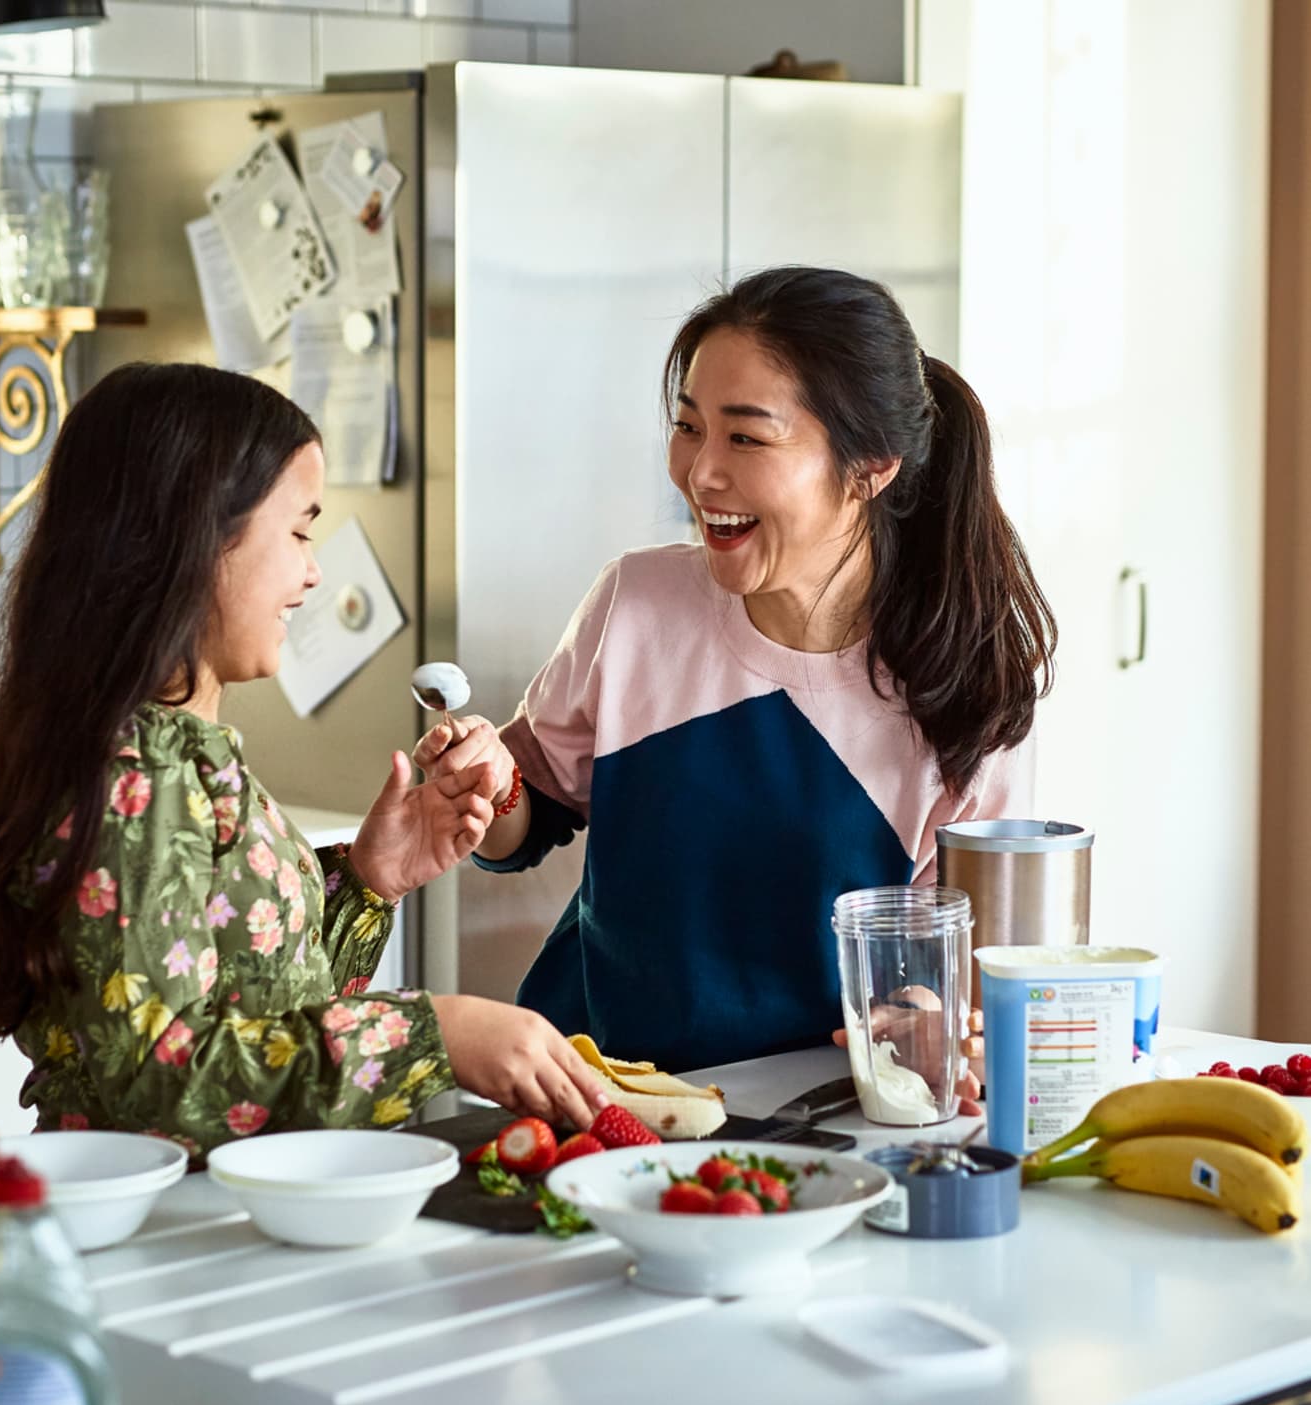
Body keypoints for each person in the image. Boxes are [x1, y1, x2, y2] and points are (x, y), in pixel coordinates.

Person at [415, 266, 1058, 1082]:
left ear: (870, 467)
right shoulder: (637, 603)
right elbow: (527, 817)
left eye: (746, 437)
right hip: (599, 1094)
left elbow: (950, 967)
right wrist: (483, 788)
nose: (700, 472)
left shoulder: (968, 687)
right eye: (690, 427)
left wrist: (932, 1024)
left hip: (816, 1111)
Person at [0, 362, 605, 1160]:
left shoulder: (182, 755)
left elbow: (257, 1015)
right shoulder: (136, 777)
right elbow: (164, 1086)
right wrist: (432, 1034)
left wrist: (368, 880)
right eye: (297, 530)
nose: (313, 569)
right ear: (192, 537)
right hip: (164, 1236)